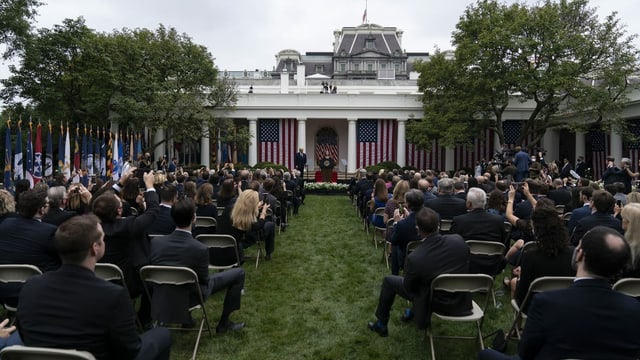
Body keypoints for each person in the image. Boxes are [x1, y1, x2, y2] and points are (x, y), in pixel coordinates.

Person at [16, 215, 172, 360]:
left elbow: (23, 333)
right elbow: (130, 350)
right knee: (162, 334)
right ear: (95, 248)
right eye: (103, 238)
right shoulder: (112, 296)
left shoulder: (31, 286)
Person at [479, 226, 640, 360]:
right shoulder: (634, 309)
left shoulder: (548, 302)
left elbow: (525, 352)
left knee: (486, 354)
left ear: (580, 254)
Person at [367, 207, 471, 337]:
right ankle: (411, 311)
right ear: (438, 225)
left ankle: (381, 324)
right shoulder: (459, 241)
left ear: (417, 229)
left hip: (434, 302)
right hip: (461, 300)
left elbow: (409, 288)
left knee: (389, 281)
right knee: (422, 282)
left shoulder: (415, 257)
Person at [149, 198, 245, 333]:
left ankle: (187, 320)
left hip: (162, 294)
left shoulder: (156, 242)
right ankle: (224, 323)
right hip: (191, 296)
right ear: (194, 218)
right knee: (238, 273)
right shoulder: (199, 249)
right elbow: (204, 280)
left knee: (189, 279)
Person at [388, 189, 423, 275]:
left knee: (395, 246)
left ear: (407, 204)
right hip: (428, 253)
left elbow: (393, 240)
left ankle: (395, 274)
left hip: (409, 257)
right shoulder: (432, 216)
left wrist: (396, 222)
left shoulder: (402, 225)